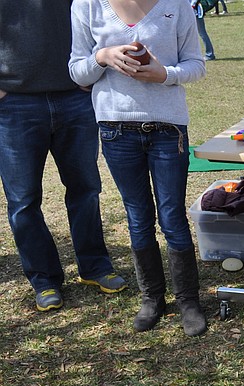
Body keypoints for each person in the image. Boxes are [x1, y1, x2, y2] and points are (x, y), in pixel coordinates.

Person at [69, 0, 209, 336]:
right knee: (138, 216)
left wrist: (165, 74)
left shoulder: (177, 5)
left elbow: (196, 65)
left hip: (167, 129)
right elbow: (77, 70)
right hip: (116, 129)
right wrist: (102, 57)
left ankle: (188, 300)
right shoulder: (87, 4)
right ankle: (152, 298)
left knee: (172, 217)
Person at [0, 2, 127, 313]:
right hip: (14, 102)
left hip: (75, 96)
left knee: (86, 189)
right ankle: (44, 279)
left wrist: (93, 69)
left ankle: (94, 267)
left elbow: (99, 19)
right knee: (23, 200)